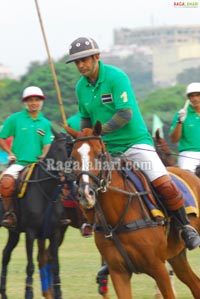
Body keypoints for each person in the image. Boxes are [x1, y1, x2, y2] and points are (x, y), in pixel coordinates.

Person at [65, 36, 200, 250]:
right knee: (90, 184)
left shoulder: (116, 77)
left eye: (85, 60)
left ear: (97, 57)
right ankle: (107, 241)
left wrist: (98, 134)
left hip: (135, 142)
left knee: (163, 183)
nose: (81, 65)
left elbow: (125, 113)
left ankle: (185, 226)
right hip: (107, 149)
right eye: (77, 62)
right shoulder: (81, 87)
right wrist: (84, 136)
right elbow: (86, 118)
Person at [0, 86, 53, 228]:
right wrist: (10, 153)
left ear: (41, 102)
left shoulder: (45, 123)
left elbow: (47, 143)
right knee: (6, 182)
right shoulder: (15, 119)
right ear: (25, 102)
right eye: (30, 100)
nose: (34, 103)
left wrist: (43, 155)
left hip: (38, 164)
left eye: (37, 100)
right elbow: (2, 137)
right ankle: (9, 214)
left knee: (59, 181)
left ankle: (57, 215)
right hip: (20, 163)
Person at [169, 82, 200, 173]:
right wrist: (180, 121)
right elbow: (174, 140)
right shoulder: (181, 114)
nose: (195, 99)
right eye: (192, 96)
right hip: (188, 154)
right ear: (188, 98)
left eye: (198, 95)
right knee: (187, 180)